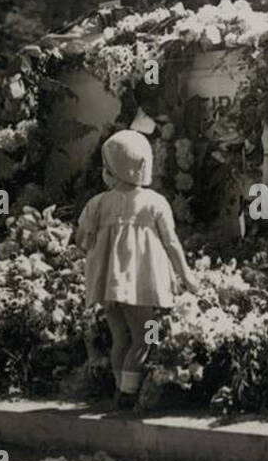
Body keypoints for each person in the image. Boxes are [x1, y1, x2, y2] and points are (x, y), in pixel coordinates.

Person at [74, 130, 199, 410]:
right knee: (143, 338)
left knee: (121, 338)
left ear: (111, 170)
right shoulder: (154, 203)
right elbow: (171, 243)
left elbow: (81, 240)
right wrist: (186, 275)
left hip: (108, 285)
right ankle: (127, 395)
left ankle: (120, 388)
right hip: (138, 284)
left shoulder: (97, 204)